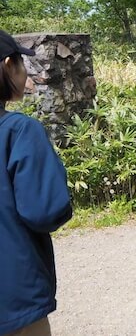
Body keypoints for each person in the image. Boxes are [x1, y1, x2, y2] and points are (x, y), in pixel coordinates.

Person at [0, 29, 73, 336]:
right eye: (21, 63)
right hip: (13, 294)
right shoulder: (18, 131)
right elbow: (43, 210)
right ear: (7, 65)